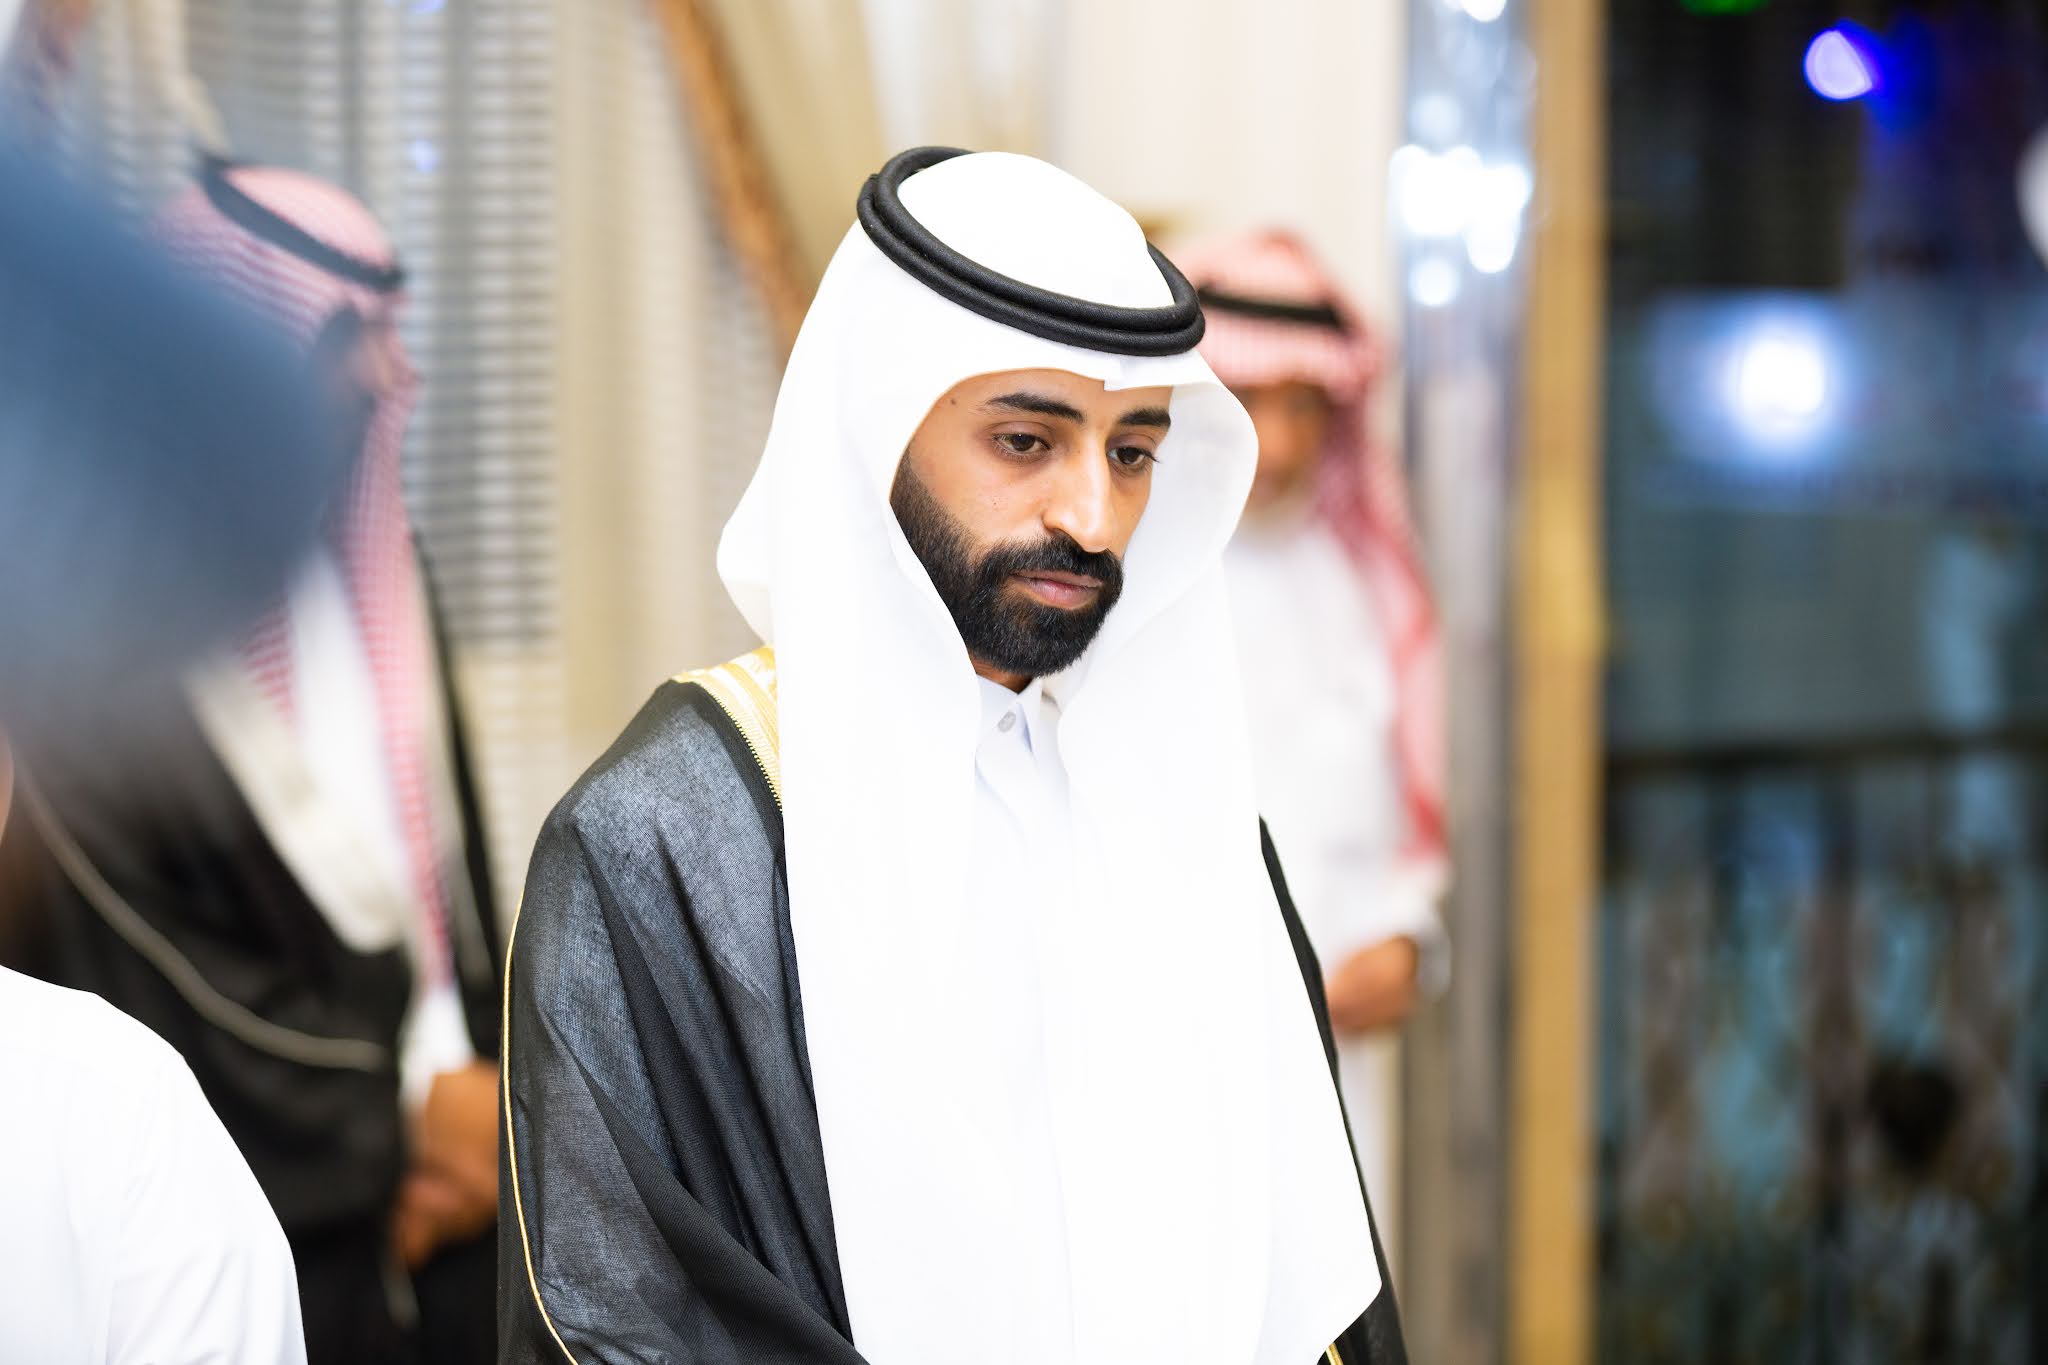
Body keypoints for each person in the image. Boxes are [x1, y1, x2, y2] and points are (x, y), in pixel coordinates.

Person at [499, 147, 1405, 1365]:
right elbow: (615, 1311)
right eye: (1025, 442)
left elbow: (1306, 1292)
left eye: (1130, 453)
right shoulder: (662, 839)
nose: (1090, 517)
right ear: (875, 431)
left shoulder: (1190, 822)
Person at [0, 161, 501, 1365]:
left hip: (457, 1197)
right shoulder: (95, 625)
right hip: (249, 1190)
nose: (388, 373)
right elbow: (148, 958)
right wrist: (399, 1123)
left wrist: (494, 1102)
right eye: (347, 335)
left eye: (388, 329)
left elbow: (452, 880)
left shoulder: (391, 570)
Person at [1177, 229, 1451, 1268]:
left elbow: (1392, 831)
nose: (1282, 445)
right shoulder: (1127, 597)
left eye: (1304, 408)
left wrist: (1411, 943)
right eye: (1250, 401)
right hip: (1181, 1084)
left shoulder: (1357, 584)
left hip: (1337, 1084)